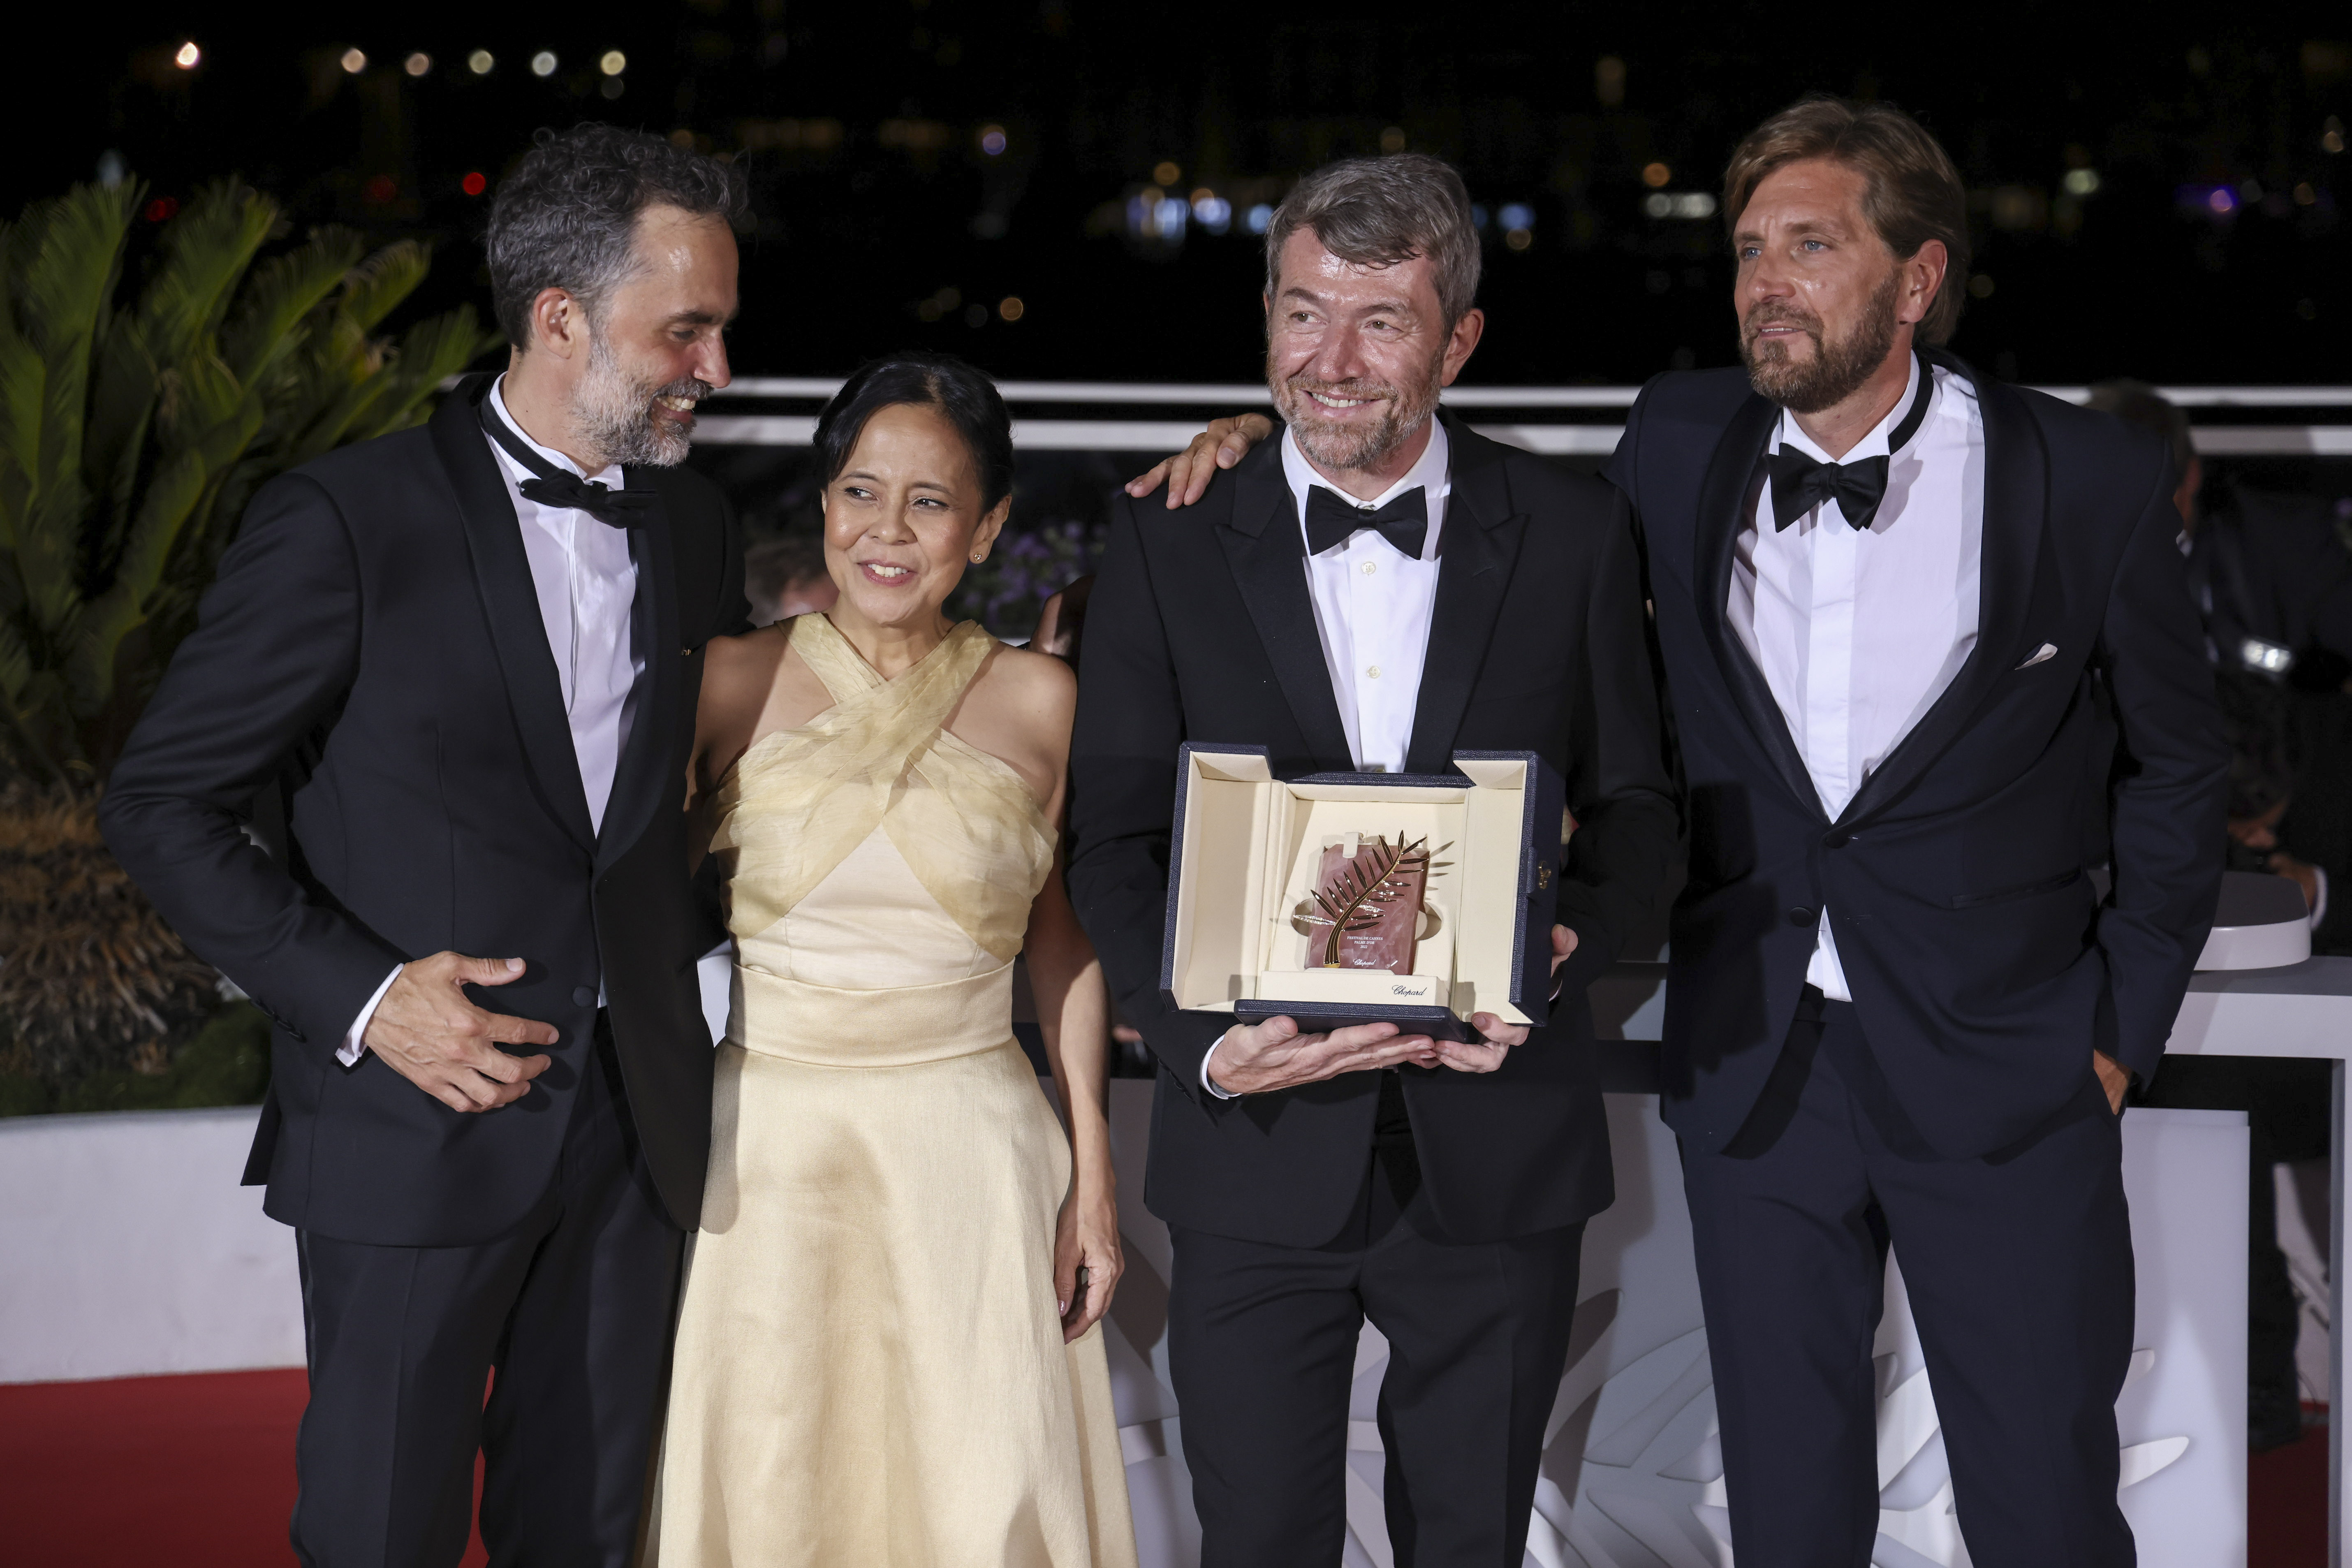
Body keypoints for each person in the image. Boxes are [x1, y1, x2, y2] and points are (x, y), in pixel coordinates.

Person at [1141, 99, 2227, 1568]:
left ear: (1918, 278)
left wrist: (2118, 1029)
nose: (1766, 281)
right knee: (1784, 1505)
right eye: (1750, 250)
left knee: (2042, 1497)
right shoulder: (1678, 436)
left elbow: (2181, 764)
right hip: (1759, 1065)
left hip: (2011, 1057)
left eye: (1811, 247)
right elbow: (1480, 539)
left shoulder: (2081, 477)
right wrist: (1262, 442)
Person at [97, 126, 749, 1565]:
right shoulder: (348, 520)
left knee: (583, 1535)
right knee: (381, 1531)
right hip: (410, 1122)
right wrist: (368, 999)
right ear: (561, 318)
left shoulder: (696, 525)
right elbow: (159, 802)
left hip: (634, 1124)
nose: (716, 366)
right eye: (685, 330)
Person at [1069, 153, 1678, 1566]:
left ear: (1458, 342)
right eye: (1302, 313)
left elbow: (1644, 810)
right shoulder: (1165, 538)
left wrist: (1564, 948)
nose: (1328, 361)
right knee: (1258, 1543)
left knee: (1470, 1543)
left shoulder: (1576, 531)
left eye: (1380, 322)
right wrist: (1201, 1049)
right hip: (1254, 1141)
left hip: (1498, 1139)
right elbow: (1112, 842)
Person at [647, 353, 1135, 1566]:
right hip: (768, 1154)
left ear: (989, 525)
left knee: (983, 1485)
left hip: (973, 1153)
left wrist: (1094, 1176)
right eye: (862, 492)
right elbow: (629, 907)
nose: (888, 531)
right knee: (777, 1481)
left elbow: (1062, 945)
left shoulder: (1044, 700)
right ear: (824, 503)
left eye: (930, 501)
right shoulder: (728, 681)